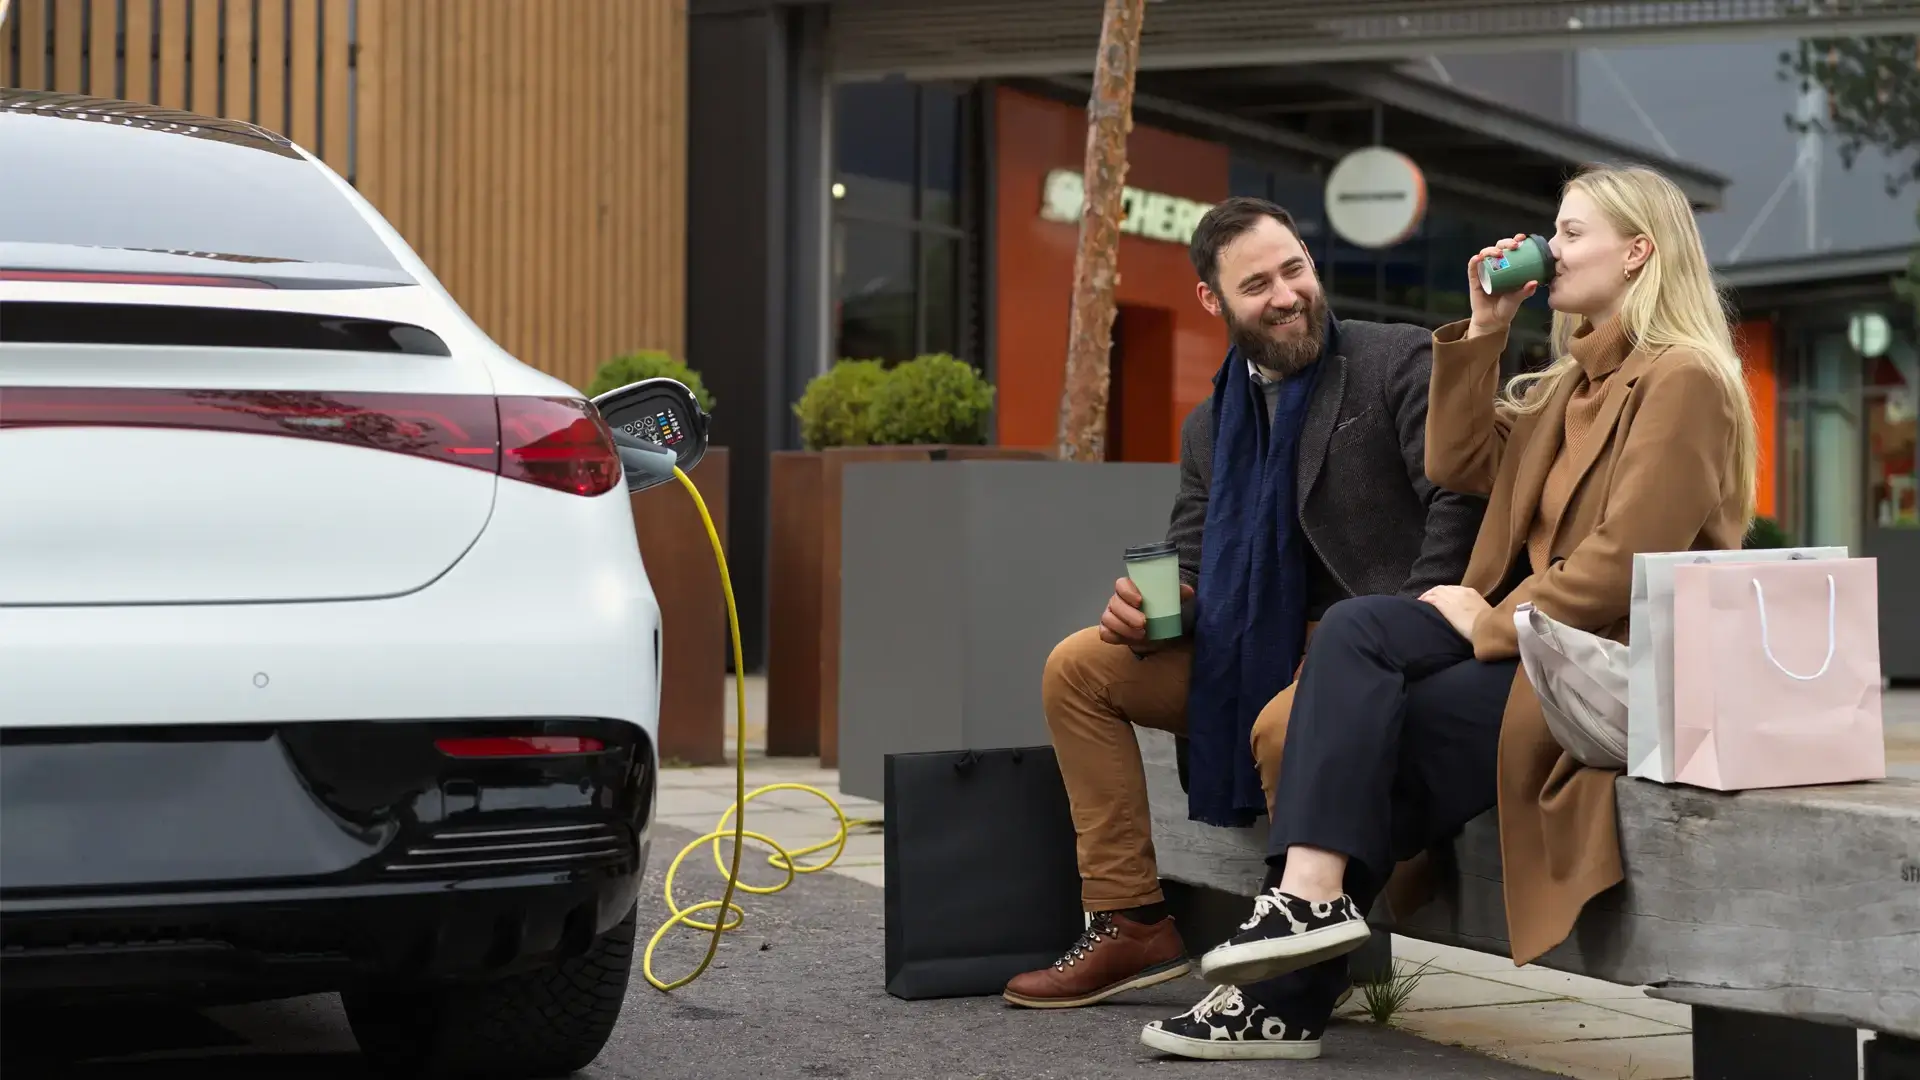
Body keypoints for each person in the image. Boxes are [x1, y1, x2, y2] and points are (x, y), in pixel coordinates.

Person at [1138, 163, 1759, 1061]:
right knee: (1360, 633)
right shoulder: (1570, 383)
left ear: (1638, 252)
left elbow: (1627, 563)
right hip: (1536, 648)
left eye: (1571, 232)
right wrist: (1485, 329)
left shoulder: (1683, 380)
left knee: (1380, 735)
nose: (1549, 249)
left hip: (1605, 661)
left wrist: (1491, 624)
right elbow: (1463, 462)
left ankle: (1279, 999)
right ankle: (1307, 902)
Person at [1001, 197, 1486, 1011]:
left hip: (1377, 651)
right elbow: (1191, 568)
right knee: (1078, 666)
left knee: (1281, 725)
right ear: (1212, 300)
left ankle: (1293, 970)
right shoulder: (1210, 425)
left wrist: (1397, 626)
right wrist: (1155, 614)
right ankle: (1130, 921)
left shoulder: (1394, 361)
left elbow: (1456, 504)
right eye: (1256, 283)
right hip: (1251, 652)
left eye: (1294, 269)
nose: (1287, 294)